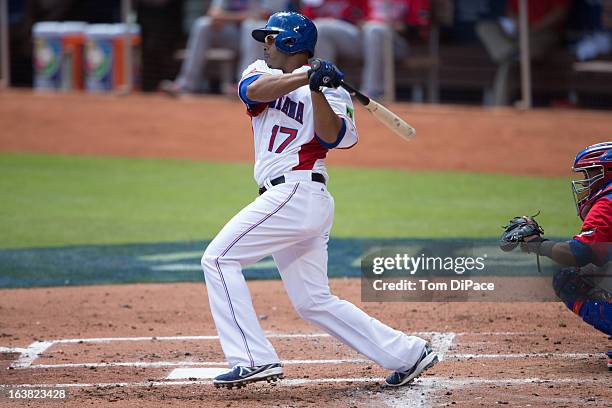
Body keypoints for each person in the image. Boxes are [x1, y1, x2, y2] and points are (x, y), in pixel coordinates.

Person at [200, 11, 438, 389]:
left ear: (292, 43)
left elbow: (334, 138)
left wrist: (317, 89)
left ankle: (252, 359)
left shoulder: (333, 91)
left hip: (297, 192)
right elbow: (254, 92)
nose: (266, 43)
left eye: (273, 38)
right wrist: (305, 76)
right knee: (313, 300)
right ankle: (408, 353)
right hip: (290, 199)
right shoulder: (259, 70)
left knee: (217, 258)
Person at [501, 142, 612, 370]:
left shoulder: (607, 204)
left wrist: (536, 243)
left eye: (591, 173)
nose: (585, 181)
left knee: (569, 278)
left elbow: (577, 254)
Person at [160, 0, 286, 95]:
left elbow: (267, 16)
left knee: (251, 26)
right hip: (233, 35)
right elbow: (214, 13)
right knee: (203, 24)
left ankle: (244, 85)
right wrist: (228, 17)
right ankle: (185, 84)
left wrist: (226, 17)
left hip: (263, 39)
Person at [476, 0, 570, 106]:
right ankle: (510, 52)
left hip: (543, 33)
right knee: (485, 27)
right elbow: (510, 10)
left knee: (508, 67)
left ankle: (514, 54)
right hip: (517, 35)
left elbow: (560, 13)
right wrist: (518, 23)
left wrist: (534, 27)